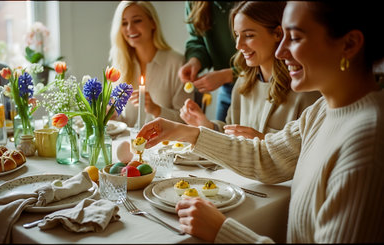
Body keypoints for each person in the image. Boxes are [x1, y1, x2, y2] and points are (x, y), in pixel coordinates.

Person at [137, 1, 384, 243]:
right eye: (282, 35)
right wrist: (184, 132)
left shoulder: (366, 144)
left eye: (295, 38)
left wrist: (222, 231)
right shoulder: (321, 111)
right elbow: (266, 156)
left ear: (349, 44)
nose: (280, 51)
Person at [180, 1, 320, 140]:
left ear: (277, 33)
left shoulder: (304, 90)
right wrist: (207, 125)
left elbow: (307, 150)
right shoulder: (242, 84)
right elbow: (231, 135)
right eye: (237, 35)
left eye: (249, 35)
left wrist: (262, 140)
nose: (238, 45)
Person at [108, 1, 193, 128]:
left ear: (153, 23)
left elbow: (187, 122)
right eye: (124, 23)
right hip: (128, 142)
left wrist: (156, 110)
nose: (130, 28)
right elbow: (122, 122)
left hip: (165, 145)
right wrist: (111, 114)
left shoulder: (177, 63)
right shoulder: (120, 64)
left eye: (137, 21)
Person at [178, 1, 238, 122]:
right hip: (227, 89)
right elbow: (197, 39)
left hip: (261, 85)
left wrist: (229, 75)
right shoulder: (193, 3)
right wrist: (195, 60)